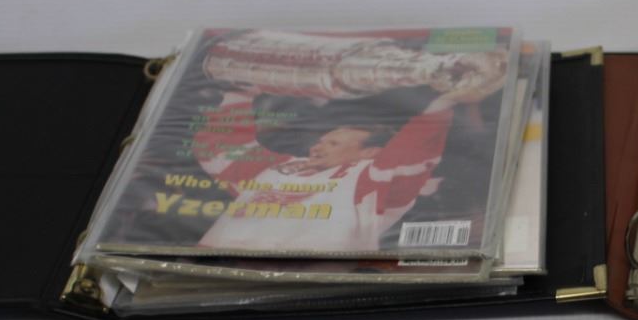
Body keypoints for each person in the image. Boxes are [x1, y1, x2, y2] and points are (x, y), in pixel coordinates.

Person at [192, 75, 502, 253]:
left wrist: (446, 100)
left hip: (312, 276)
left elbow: (412, 151)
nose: (318, 146)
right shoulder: (280, 166)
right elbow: (220, 149)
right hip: (223, 266)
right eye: (322, 140)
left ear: (369, 153)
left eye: (334, 143)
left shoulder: (370, 182)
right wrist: (238, 92)